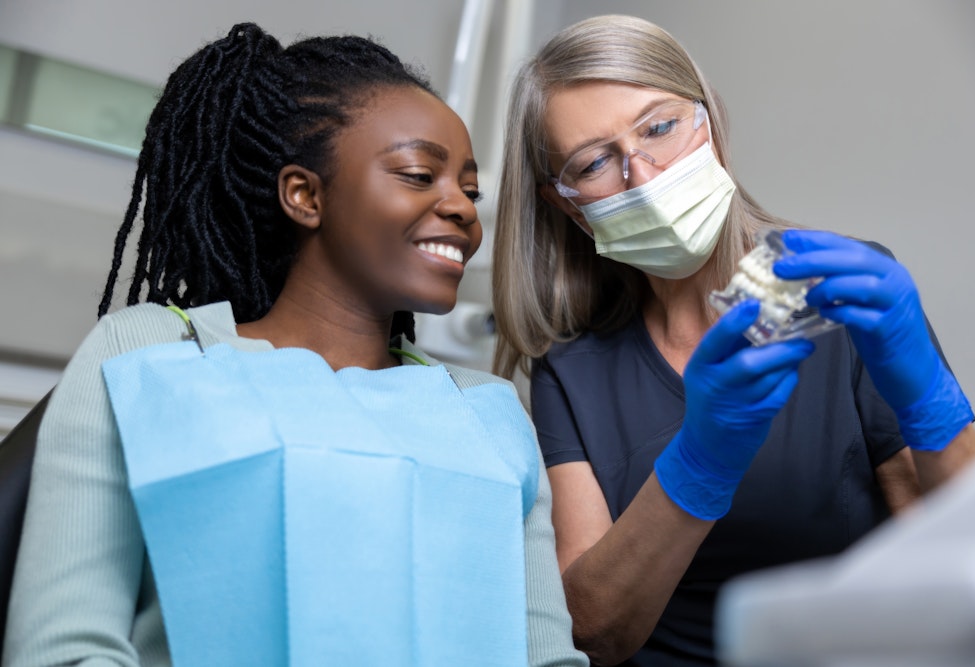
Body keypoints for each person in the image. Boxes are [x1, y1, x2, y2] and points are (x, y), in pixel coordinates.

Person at [2, 23, 587, 667]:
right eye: (420, 174)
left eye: (470, 191)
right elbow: (64, 648)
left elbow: (545, 657)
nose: (463, 209)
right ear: (305, 195)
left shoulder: (489, 410)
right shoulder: (144, 352)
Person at [490, 14, 975, 667]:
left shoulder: (842, 294)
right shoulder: (570, 367)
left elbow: (969, 561)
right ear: (569, 205)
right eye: (594, 162)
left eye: (659, 127)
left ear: (711, 124)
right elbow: (592, 630)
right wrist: (700, 459)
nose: (642, 176)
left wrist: (930, 398)